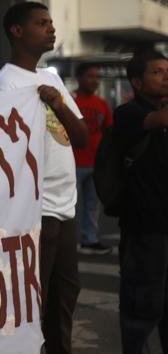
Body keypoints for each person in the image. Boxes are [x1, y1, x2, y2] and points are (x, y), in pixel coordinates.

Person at [0, 2, 113, 354]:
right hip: (32, 209)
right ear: (16, 31)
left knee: (62, 296)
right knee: (28, 301)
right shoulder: (4, 84)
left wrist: (56, 101)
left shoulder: (52, 78)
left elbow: (80, 135)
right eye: (41, 23)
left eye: (51, 23)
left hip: (63, 203)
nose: (51, 29)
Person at [109, 49, 168, 354]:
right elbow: (156, 121)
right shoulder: (129, 113)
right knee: (141, 301)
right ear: (137, 82)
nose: (165, 76)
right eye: (158, 72)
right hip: (144, 226)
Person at [72, 63, 113, 255]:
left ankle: (90, 239)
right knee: (68, 207)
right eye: (90, 76)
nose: (95, 81)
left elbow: (109, 132)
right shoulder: (70, 100)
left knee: (92, 206)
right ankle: (66, 243)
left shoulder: (101, 103)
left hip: (95, 163)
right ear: (79, 78)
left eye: (97, 77)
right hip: (72, 164)